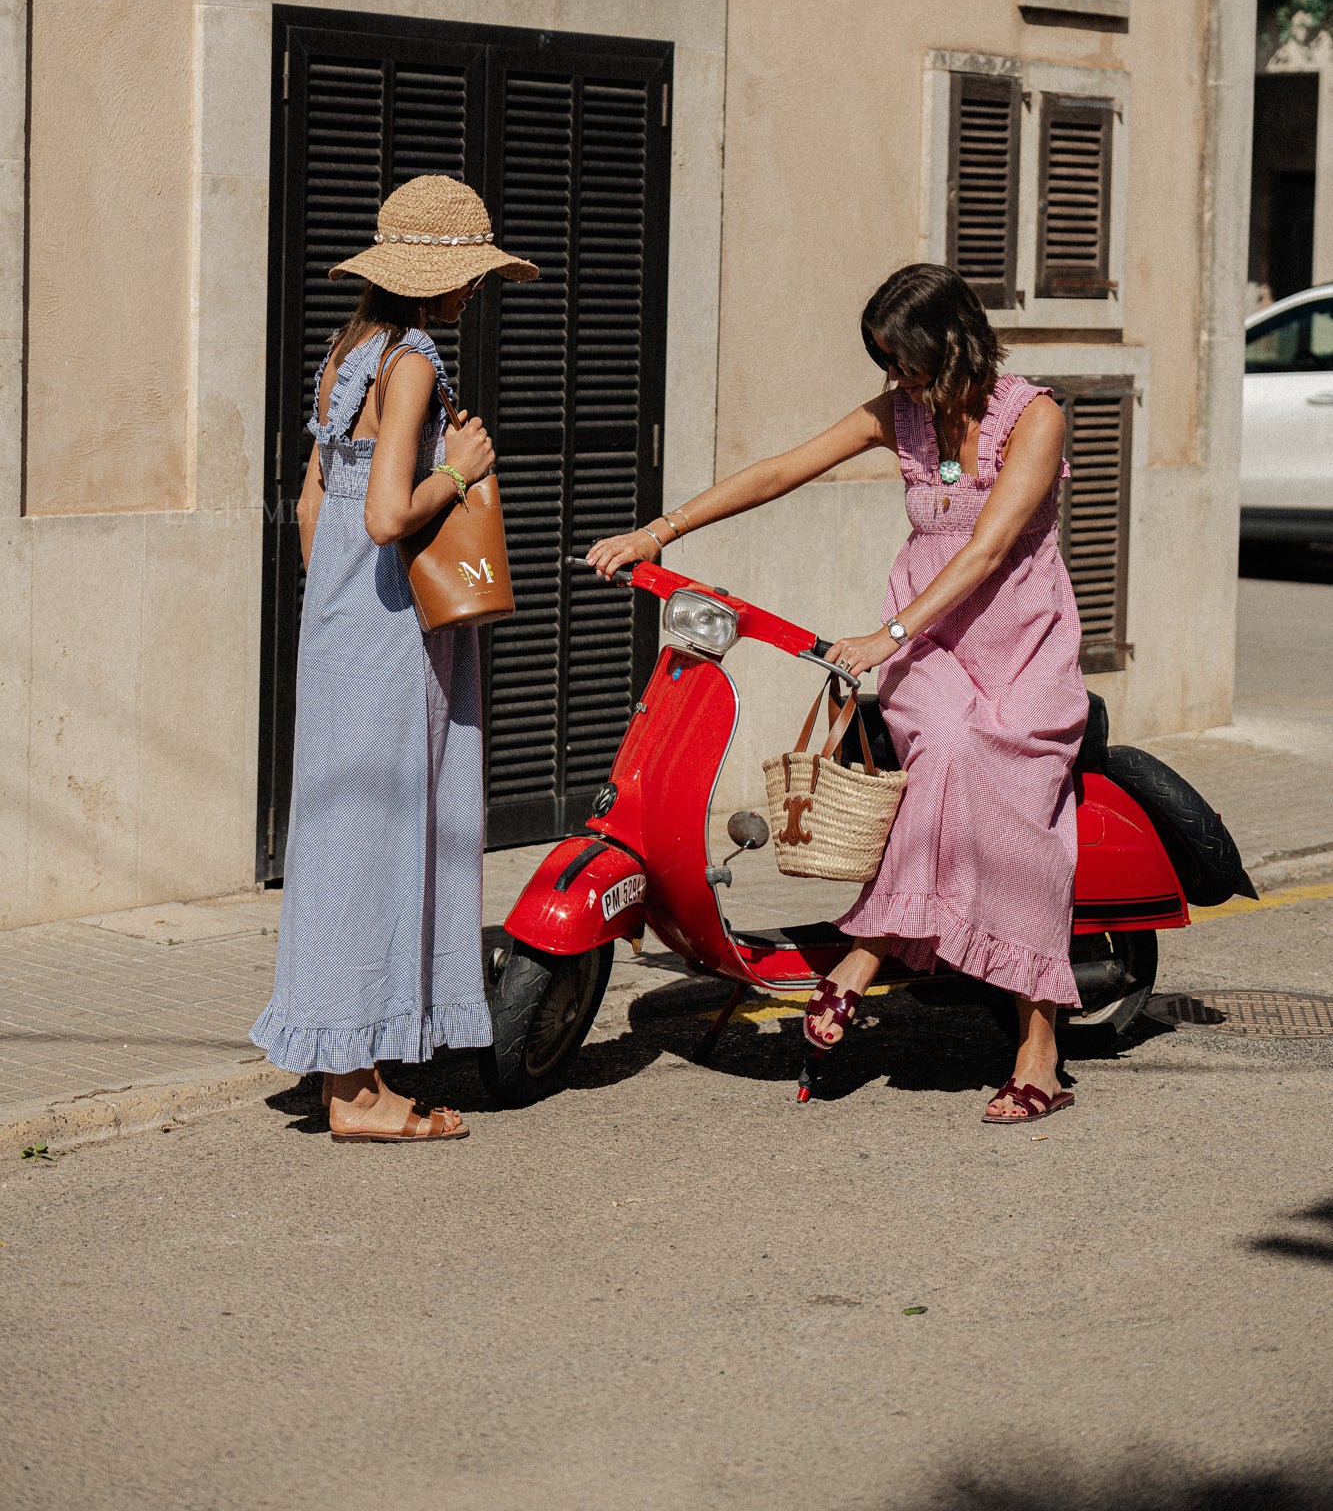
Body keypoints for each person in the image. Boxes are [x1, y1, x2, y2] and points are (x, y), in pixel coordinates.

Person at [587, 262, 1087, 1124]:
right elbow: (780, 470)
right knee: (942, 743)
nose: (899, 382)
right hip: (931, 644)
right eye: (888, 365)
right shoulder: (901, 414)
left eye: (910, 363)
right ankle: (880, 958)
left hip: (1020, 644)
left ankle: (1014, 1033)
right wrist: (656, 532)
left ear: (957, 344)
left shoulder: (1032, 418)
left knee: (994, 774)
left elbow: (986, 553)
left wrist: (883, 637)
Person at [251, 174, 537, 1143]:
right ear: (443, 280)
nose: (474, 293)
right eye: (470, 277)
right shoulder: (412, 359)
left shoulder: (347, 352)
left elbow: (308, 505)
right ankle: (357, 1090)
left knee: (340, 841)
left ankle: (345, 1058)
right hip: (384, 625)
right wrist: (462, 469)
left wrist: (330, 610)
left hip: (335, 625)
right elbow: (384, 514)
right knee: (382, 839)